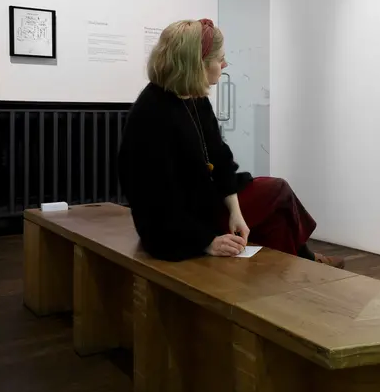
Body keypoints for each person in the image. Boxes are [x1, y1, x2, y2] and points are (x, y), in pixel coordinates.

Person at [118, 18, 344, 268]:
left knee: (277, 218)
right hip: (175, 226)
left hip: (203, 202)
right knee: (278, 191)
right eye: (220, 59)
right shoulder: (151, 114)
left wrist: (236, 212)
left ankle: (296, 270)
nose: (224, 65)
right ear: (197, 64)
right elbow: (155, 201)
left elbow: (220, 158)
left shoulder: (194, 98)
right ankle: (306, 261)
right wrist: (206, 242)